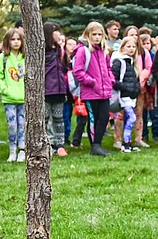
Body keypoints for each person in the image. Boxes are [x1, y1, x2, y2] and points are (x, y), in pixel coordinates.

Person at [71, 22, 114, 156]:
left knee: (104, 117)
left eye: (99, 34)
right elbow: (77, 71)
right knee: (93, 119)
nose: (97, 37)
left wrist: (110, 80)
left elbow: (108, 68)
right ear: (88, 35)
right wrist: (92, 82)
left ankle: (98, 143)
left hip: (104, 91)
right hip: (91, 92)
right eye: (94, 34)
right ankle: (95, 146)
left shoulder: (104, 51)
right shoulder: (83, 51)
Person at [0, 27, 27, 162]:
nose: (16, 42)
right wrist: (5, 90)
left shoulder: (25, 57)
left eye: (18, 39)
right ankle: (12, 150)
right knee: (12, 125)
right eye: (12, 39)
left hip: (24, 98)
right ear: (7, 41)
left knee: (23, 124)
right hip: (9, 98)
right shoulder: (2, 58)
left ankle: (22, 149)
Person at [111, 35, 142, 152]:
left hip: (132, 96)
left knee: (130, 117)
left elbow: (135, 79)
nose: (131, 49)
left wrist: (136, 89)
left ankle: (127, 143)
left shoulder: (132, 63)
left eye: (134, 46)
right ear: (122, 47)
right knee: (132, 118)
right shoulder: (119, 62)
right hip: (124, 96)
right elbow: (113, 80)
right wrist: (126, 88)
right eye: (128, 46)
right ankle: (125, 142)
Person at [43, 22, 70, 156]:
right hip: (47, 91)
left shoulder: (60, 50)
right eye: (56, 31)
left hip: (60, 90)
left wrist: (63, 50)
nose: (59, 34)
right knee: (45, 119)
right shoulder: (43, 51)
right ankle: (46, 144)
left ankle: (59, 144)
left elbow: (65, 67)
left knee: (59, 119)